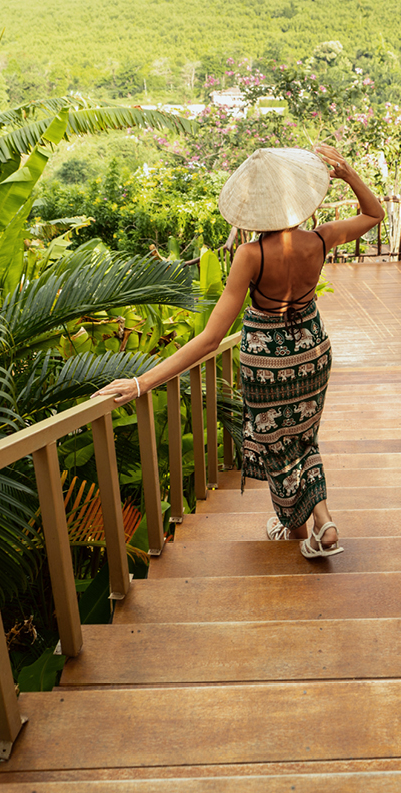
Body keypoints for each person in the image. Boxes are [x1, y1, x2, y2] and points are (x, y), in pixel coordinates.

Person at [97, 144, 384, 557]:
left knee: (276, 443)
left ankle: (308, 525)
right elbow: (375, 215)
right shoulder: (321, 239)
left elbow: (211, 338)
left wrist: (143, 383)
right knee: (303, 438)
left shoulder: (250, 255)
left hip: (266, 361)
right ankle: (321, 522)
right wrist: (349, 173)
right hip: (312, 353)